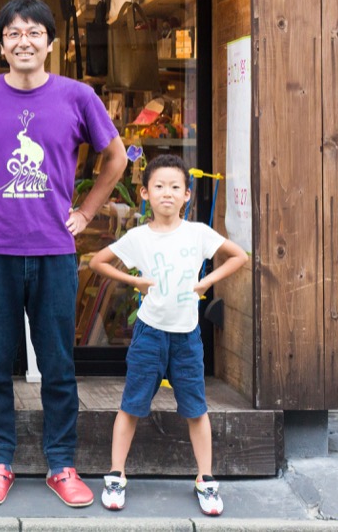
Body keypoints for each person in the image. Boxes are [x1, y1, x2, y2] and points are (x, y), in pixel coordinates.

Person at [0, 0, 127, 507]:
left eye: (34, 32)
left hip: (55, 250)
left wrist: (85, 213)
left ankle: (62, 465)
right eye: (13, 33)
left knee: (57, 363)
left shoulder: (77, 96)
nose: (23, 41)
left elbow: (116, 157)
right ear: (1, 45)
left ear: (50, 43)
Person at [89, 154, 248, 516]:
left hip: (187, 336)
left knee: (196, 408)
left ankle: (205, 480)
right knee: (131, 404)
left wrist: (205, 282)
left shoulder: (198, 233)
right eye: (159, 187)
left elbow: (238, 256)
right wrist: (136, 281)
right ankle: (116, 475)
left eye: (175, 187)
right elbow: (98, 261)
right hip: (149, 334)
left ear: (187, 195)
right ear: (145, 192)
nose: (167, 194)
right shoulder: (138, 237)